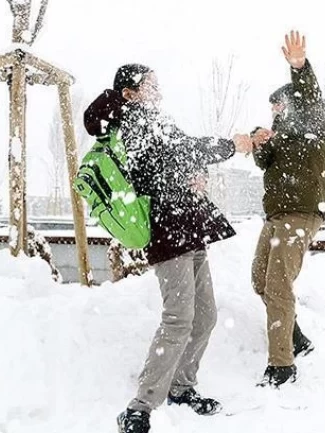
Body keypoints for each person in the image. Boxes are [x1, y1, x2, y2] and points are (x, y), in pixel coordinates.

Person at [83, 64, 253, 433]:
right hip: (167, 230)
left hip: (189, 227)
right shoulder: (132, 121)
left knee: (205, 316)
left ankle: (181, 387)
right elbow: (180, 152)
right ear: (130, 93)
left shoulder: (153, 119)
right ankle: (139, 407)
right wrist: (230, 146)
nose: (158, 90)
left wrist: (197, 176)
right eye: (150, 85)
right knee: (178, 318)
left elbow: (177, 159)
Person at [250, 31, 325, 387]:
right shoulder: (280, 136)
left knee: (278, 285)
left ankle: (282, 365)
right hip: (276, 216)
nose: (275, 112)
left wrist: (299, 67)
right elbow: (263, 163)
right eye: (272, 108)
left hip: (301, 214)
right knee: (260, 280)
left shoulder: (315, 122)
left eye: (279, 106)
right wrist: (259, 141)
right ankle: (295, 336)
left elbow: (310, 97)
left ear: (294, 103)